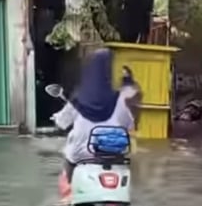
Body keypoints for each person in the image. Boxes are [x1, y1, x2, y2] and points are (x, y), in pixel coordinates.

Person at [53, 49, 139, 186]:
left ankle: (68, 196)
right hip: (112, 156)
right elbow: (129, 124)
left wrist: (57, 121)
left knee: (68, 159)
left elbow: (62, 122)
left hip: (80, 156)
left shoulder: (78, 99)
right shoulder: (119, 100)